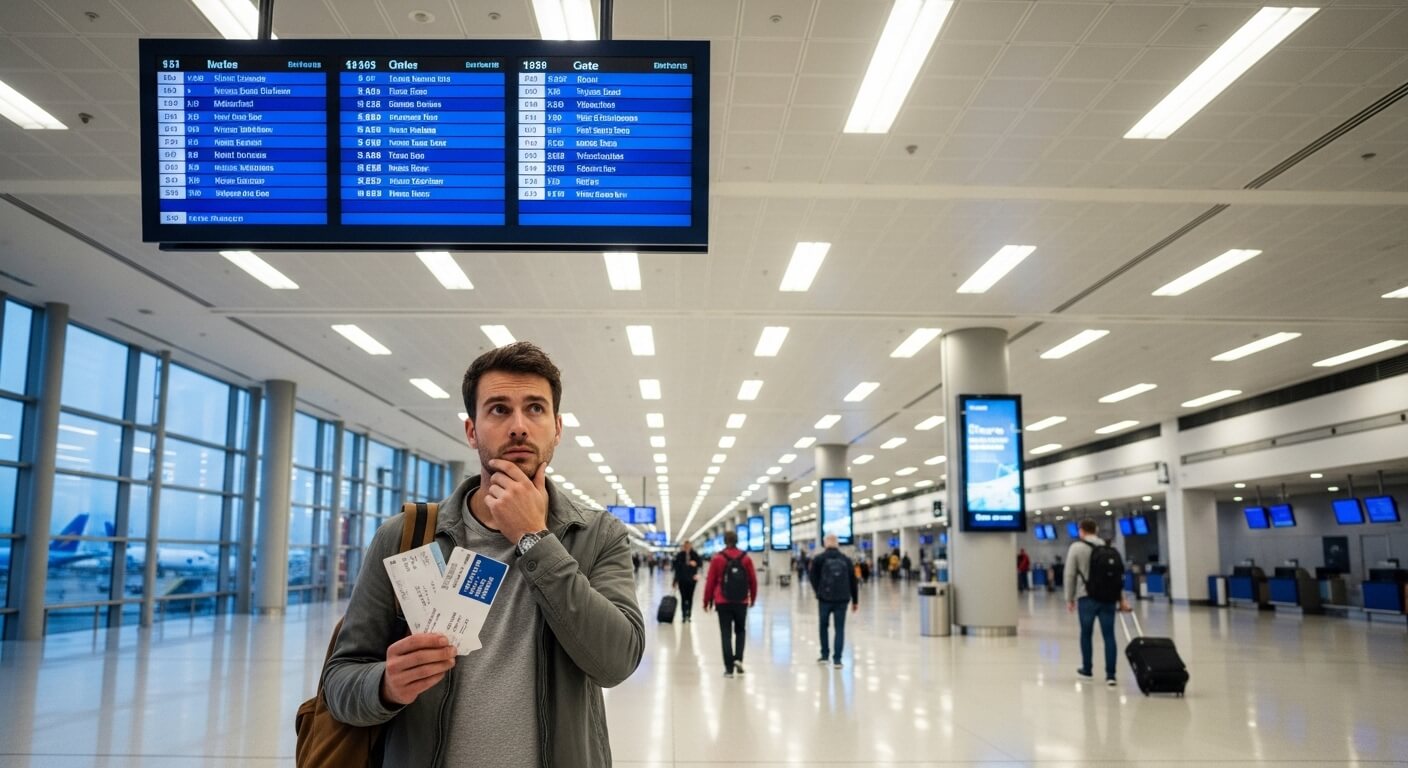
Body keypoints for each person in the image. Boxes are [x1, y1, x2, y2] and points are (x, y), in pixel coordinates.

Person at [322, 342, 644, 767]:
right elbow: (340, 681)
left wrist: (534, 538)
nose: (518, 426)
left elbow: (615, 661)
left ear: (557, 428)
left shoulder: (597, 534)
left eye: (535, 409)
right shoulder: (405, 538)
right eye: (498, 409)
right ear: (471, 430)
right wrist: (384, 685)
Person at [1063, 518, 1130, 687]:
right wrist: (1120, 598)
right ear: (1097, 530)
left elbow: (1070, 575)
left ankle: (1087, 669)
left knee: (1086, 633)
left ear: (1081, 531)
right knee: (1109, 635)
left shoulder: (1076, 548)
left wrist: (1069, 598)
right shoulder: (1109, 548)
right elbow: (1116, 577)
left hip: (1086, 597)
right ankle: (1111, 675)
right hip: (1108, 598)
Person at [703, 530, 757, 677]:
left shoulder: (718, 558)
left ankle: (728, 669)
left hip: (722, 601)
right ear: (737, 540)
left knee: (725, 634)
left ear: (725, 541)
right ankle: (738, 659)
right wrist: (753, 597)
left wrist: (706, 601)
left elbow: (710, 582)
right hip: (741, 600)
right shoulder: (746, 558)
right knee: (740, 631)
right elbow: (752, 580)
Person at [809, 534, 859, 668]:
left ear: (825, 544)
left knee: (823, 627)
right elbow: (853, 581)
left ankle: (825, 656)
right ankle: (837, 659)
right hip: (842, 599)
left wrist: (818, 591)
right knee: (840, 628)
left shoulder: (819, 559)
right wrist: (855, 600)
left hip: (824, 598)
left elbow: (812, 576)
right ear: (837, 544)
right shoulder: (846, 559)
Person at [672, 540, 702, 622]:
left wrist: (695, 563)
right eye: (686, 546)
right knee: (683, 597)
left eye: (689, 546)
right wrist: (675, 580)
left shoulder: (694, 554)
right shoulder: (680, 555)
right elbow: (676, 568)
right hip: (682, 579)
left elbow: (700, 563)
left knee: (690, 597)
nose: (687, 547)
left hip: (692, 580)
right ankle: (683, 614)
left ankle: (689, 614)